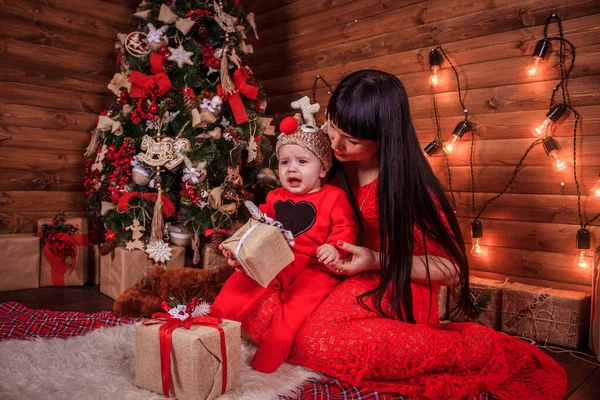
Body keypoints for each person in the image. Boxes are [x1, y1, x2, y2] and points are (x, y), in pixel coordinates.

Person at [220, 70, 567, 399]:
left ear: (384, 139)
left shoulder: (406, 188)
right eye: (332, 126)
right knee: (256, 303)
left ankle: (479, 347)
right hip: (328, 276)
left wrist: (375, 259)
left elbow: (451, 271)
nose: (335, 143)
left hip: (389, 281)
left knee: (314, 342)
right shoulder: (328, 163)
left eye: (352, 140)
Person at [211, 115, 358, 373]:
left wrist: (334, 247)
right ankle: (210, 331)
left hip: (314, 267)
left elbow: (347, 228)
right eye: (285, 162)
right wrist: (239, 246)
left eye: (302, 162)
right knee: (240, 283)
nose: (292, 169)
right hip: (275, 258)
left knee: (296, 307)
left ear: (323, 169)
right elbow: (258, 226)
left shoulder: (334, 197)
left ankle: (269, 356)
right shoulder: (274, 196)